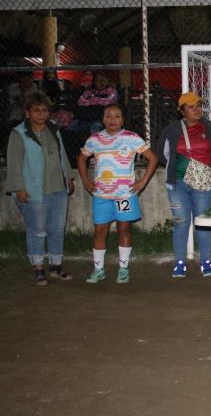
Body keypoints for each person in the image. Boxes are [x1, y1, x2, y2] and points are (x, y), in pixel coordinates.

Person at [77, 104, 157, 283]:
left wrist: (142, 182)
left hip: (124, 195)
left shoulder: (131, 138)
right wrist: (86, 181)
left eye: (117, 116)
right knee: (99, 231)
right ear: (103, 118)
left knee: (124, 228)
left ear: (123, 119)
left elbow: (153, 158)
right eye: (109, 116)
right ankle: (98, 270)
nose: (113, 119)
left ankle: (123, 269)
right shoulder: (94, 140)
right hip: (101, 195)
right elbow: (81, 158)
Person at [155, 91, 211, 278]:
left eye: (198, 105)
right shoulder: (171, 130)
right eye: (191, 106)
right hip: (177, 184)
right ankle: (179, 262)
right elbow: (162, 154)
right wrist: (178, 168)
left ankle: (206, 261)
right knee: (180, 223)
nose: (196, 109)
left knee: (203, 223)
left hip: (203, 183)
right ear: (182, 111)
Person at [5, 91, 75, 285]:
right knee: (37, 231)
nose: (41, 114)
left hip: (58, 189)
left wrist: (68, 177)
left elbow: (62, 155)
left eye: (44, 110)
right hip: (33, 190)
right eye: (36, 110)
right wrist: (19, 187)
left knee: (57, 229)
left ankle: (56, 266)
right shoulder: (19, 134)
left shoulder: (53, 129)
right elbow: (14, 163)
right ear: (27, 113)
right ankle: (38, 268)